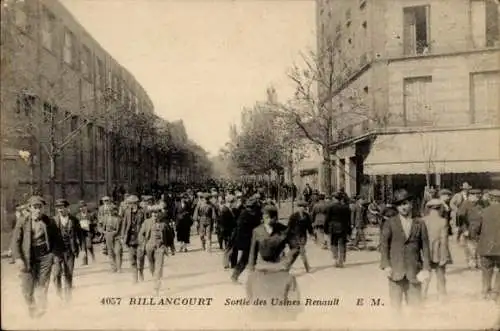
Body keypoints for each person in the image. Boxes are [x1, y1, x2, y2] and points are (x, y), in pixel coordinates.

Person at [246, 204, 302, 321]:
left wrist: (287, 262)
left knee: (280, 297)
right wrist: (251, 268)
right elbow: (252, 251)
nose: (266, 220)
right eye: (264, 217)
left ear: (275, 218)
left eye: (270, 217)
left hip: (279, 267)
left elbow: (296, 247)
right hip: (262, 268)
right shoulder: (257, 231)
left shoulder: (284, 230)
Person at [380, 189, 431, 312]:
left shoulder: (420, 223)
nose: (403, 207)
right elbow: (384, 246)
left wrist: (426, 268)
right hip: (395, 272)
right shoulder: (390, 223)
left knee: (416, 307)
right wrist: (386, 265)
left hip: (414, 271)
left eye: (405, 203)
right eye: (399, 204)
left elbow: (425, 247)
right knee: (395, 308)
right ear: (396, 207)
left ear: (411, 204)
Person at [12, 196, 62, 318]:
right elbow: (15, 241)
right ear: (29, 208)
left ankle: (42, 309)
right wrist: (18, 258)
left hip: (45, 256)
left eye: (40, 207)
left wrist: (54, 256)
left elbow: (57, 240)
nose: (38, 210)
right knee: (27, 289)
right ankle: (32, 307)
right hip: (27, 257)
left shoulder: (49, 221)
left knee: (42, 285)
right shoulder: (22, 222)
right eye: (35, 207)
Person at [52, 198, 82, 303]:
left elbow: (79, 234)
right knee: (56, 274)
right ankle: (59, 295)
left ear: (66, 208)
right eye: (58, 208)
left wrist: (80, 248)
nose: (60, 210)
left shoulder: (74, 220)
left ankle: (68, 297)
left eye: (62, 208)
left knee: (68, 274)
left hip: (70, 250)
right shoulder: (54, 220)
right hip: (57, 251)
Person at [422, 199, 452, 301]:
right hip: (438, 251)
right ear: (440, 208)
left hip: (425, 251)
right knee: (440, 275)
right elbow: (444, 240)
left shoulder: (423, 220)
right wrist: (444, 256)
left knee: (425, 274)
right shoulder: (443, 221)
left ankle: (423, 294)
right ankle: (442, 295)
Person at [138, 206, 170, 294]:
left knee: (159, 267)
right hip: (149, 247)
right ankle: (155, 277)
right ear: (151, 214)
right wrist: (142, 244)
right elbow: (141, 234)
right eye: (153, 213)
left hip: (160, 247)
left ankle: (156, 285)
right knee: (152, 266)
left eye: (156, 213)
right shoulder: (146, 222)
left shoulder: (164, 224)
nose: (155, 215)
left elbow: (170, 235)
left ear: (159, 214)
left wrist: (171, 247)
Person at [231, 196, 262, 283]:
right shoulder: (245, 215)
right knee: (245, 259)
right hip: (248, 242)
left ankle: (252, 278)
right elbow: (242, 231)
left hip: (252, 241)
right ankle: (235, 276)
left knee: (252, 259)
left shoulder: (253, 214)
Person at [477, 189, 500, 301]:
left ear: (490, 199)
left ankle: (485, 291)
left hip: (486, 246)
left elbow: (476, 228)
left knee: (486, 269)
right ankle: (496, 292)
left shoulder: (483, 212)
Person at [121, 195, 146, 283]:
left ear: (136, 203)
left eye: (132, 203)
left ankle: (141, 272)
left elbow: (146, 223)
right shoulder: (127, 211)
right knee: (132, 259)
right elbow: (124, 224)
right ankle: (135, 278)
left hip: (140, 238)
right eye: (129, 203)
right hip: (130, 239)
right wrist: (122, 236)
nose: (131, 205)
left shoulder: (142, 211)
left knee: (140, 258)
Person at [457, 189, 484, 269]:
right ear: (470, 196)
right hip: (470, 229)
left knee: (478, 247)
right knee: (470, 247)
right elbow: (460, 218)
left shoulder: (480, 204)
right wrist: (464, 230)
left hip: (479, 230)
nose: (478, 198)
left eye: (479, 196)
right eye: (476, 196)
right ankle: (471, 263)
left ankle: (478, 263)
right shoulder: (465, 204)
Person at [287, 200, 314, 272]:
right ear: (298, 207)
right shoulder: (293, 216)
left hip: (303, 236)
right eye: (301, 207)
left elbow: (309, 226)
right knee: (299, 251)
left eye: (304, 207)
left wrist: (311, 234)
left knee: (299, 251)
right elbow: (289, 227)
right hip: (294, 236)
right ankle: (307, 267)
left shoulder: (307, 216)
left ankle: (288, 266)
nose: (303, 208)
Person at [327, 194, 352, 268]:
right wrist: (349, 230)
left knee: (334, 243)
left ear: (335, 198)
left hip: (333, 228)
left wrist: (326, 228)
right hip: (343, 228)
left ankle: (335, 259)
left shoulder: (331, 207)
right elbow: (348, 220)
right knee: (342, 244)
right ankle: (341, 260)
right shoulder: (346, 207)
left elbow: (327, 219)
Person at [102, 205, 123, 272]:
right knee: (110, 253)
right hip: (108, 236)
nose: (110, 212)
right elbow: (100, 226)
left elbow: (121, 229)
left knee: (118, 251)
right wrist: (103, 232)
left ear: (114, 211)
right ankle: (113, 268)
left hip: (117, 237)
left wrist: (121, 237)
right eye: (108, 211)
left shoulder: (119, 218)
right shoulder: (105, 218)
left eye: (111, 210)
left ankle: (119, 268)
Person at [75, 201, 97, 265]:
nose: (82, 208)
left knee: (89, 245)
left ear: (86, 207)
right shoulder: (77, 216)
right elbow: (76, 224)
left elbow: (94, 222)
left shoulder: (90, 215)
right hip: (81, 233)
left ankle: (92, 255)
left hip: (88, 232)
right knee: (82, 247)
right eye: (80, 207)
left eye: (83, 207)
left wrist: (91, 224)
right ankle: (84, 262)